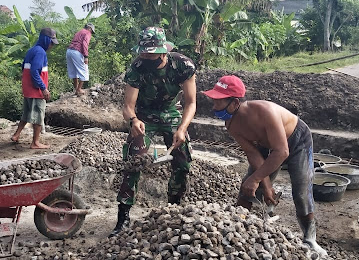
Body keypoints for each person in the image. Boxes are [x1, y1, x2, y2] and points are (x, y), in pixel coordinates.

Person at [202, 75, 328, 256]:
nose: (214, 108)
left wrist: (257, 178)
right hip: (269, 146)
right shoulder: (231, 124)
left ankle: (310, 238)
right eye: (213, 102)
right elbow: (253, 153)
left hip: (297, 141)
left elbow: (282, 152)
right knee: (247, 187)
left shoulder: (265, 112)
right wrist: (265, 185)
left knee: (301, 191)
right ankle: (237, 228)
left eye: (218, 102)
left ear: (234, 103)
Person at [110, 27, 197, 237]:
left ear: (162, 51)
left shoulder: (183, 66)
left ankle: (173, 210)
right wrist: (133, 121)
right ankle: (123, 218)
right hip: (144, 116)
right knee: (133, 162)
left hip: (171, 114)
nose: (145, 56)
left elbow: (191, 103)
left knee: (182, 162)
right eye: (143, 52)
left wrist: (182, 129)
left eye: (150, 53)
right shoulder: (137, 67)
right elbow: (128, 106)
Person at [10, 28, 59, 149]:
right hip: (35, 90)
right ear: (46, 40)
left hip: (28, 89)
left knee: (26, 114)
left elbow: (24, 68)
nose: (52, 46)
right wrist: (43, 88)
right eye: (51, 42)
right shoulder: (40, 52)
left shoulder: (32, 50)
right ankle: (35, 142)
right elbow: (35, 72)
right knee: (38, 116)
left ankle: (16, 135)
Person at [66, 23, 95, 96]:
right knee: (84, 71)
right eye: (92, 31)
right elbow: (85, 44)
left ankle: (76, 89)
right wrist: (86, 56)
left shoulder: (79, 32)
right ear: (90, 28)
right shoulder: (87, 33)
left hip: (69, 51)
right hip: (77, 52)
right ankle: (79, 89)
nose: (91, 33)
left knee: (73, 72)